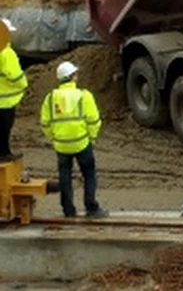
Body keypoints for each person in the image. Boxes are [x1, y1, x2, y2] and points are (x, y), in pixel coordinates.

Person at [40, 61, 106, 218]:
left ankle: (68, 210)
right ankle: (91, 207)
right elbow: (94, 120)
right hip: (82, 142)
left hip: (61, 145)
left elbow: (45, 122)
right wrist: (92, 137)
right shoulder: (84, 95)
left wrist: (54, 137)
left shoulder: (50, 98)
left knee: (65, 175)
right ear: (72, 77)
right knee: (89, 173)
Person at [0, 18, 27, 162]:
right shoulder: (6, 52)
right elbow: (15, 75)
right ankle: (4, 153)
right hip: (5, 100)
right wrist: (23, 84)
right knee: (4, 128)